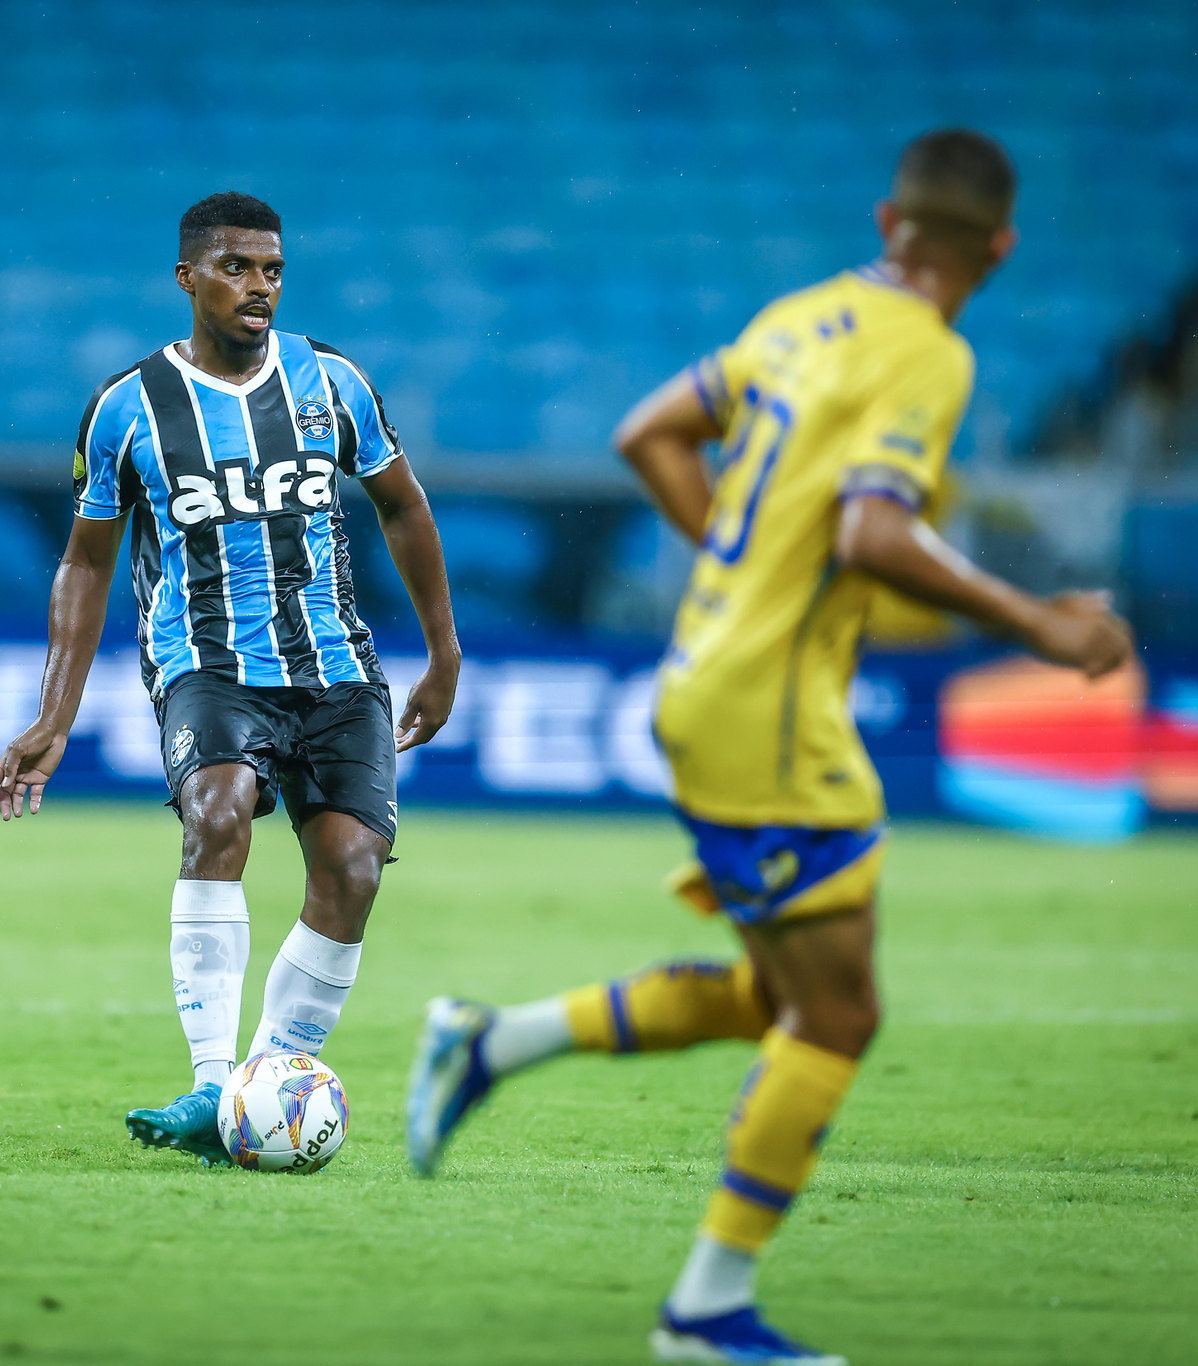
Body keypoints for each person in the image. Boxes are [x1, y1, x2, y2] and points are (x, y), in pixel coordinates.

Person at [405, 131, 1131, 1365]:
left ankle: (492, 1038)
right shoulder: (929, 355)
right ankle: (703, 1311)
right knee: (837, 1014)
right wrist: (1039, 625)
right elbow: (871, 533)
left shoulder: (800, 317)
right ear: (997, 249)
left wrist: (737, 572)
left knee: (780, 994)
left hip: (704, 675)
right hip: (775, 712)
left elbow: (648, 431)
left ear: (884, 217)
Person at [0, 191, 460, 1165]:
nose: (260, 286)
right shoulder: (128, 408)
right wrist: (53, 714)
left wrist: (443, 651)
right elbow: (85, 560)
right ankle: (212, 1081)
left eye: (273, 269)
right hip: (204, 664)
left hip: (334, 664)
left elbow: (402, 509)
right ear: (188, 277)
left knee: (353, 870)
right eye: (238, 267)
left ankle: (262, 1081)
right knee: (217, 811)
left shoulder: (331, 384)